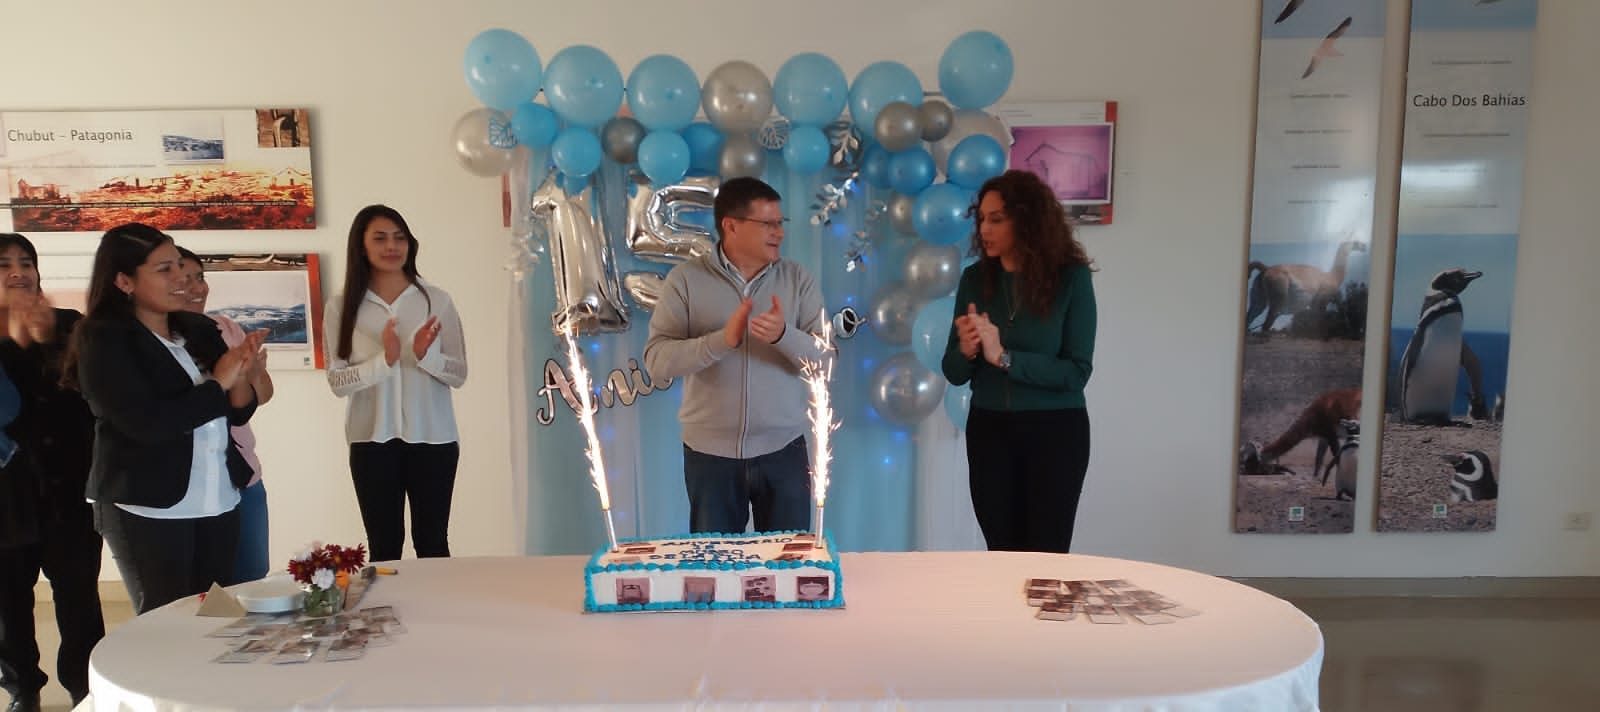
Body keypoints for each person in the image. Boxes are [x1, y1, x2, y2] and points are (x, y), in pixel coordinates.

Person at [67, 223, 267, 615]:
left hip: (217, 497)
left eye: (179, 265)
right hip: (149, 504)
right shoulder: (102, 339)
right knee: (166, 623)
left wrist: (243, 372)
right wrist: (220, 382)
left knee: (216, 617)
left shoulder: (198, 329)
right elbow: (148, 424)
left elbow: (237, 411)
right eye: (164, 270)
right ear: (124, 281)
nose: (181, 278)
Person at [644, 177, 829, 534]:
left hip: (784, 452)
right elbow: (657, 361)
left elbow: (827, 361)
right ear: (731, 226)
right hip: (709, 457)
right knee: (716, 564)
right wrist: (720, 342)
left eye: (780, 223)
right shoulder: (685, 280)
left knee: (788, 562)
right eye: (768, 224)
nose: (779, 233)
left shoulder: (798, 280)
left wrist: (783, 336)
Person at [941, 170, 1097, 554]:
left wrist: (1004, 357)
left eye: (997, 219)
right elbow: (954, 373)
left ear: (1027, 220)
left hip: (1055, 431)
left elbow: (1076, 372)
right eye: (982, 219)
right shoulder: (974, 279)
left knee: (1047, 555)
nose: (985, 229)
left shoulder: (1071, 278)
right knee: (1001, 552)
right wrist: (967, 350)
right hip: (989, 430)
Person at [324, 205, 467, 563]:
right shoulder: (342, 306)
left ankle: (436, 603)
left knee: (433, 543)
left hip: (434, 439)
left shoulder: (437, 300)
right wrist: (384, 361)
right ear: (361, 246)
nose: (391, 246)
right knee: (384, 547)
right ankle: (388, 604)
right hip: (371, 441)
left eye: (399, 238)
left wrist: (425, 356)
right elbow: (338, 382)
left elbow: (459, 373)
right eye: (380, 238)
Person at [0, 233, 104, 712]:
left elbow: (85, 401)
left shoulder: (68, 325)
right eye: (4, 264)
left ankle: (85, 689)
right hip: (6, 495)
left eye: (26, 262)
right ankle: (23, 689)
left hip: (69, 490)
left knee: (79, 600)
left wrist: (45, 344)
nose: (19, 272)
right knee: (8, 604)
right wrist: (17, 342)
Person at [175, 248, 275, 584]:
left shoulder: (226, 328)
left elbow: (261, 397)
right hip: (188, 480)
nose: (196, 288)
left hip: (241, 470)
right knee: (203, 586)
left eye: (200, 277)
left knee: (253, 572)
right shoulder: (157, 340)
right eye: (184, 278)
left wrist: (253, 370)